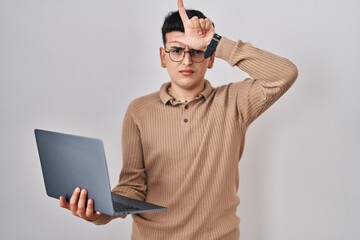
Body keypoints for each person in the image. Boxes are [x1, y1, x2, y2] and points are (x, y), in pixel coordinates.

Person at [59, 0, 298, 239]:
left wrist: (216, 43)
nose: (186, 60)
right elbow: (132, 187)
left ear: (211, 58)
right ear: (163, 57)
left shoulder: (233, 102)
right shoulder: (139, 110)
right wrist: (99, 213)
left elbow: (283, 74)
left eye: (196, 51)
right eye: (176, 50)